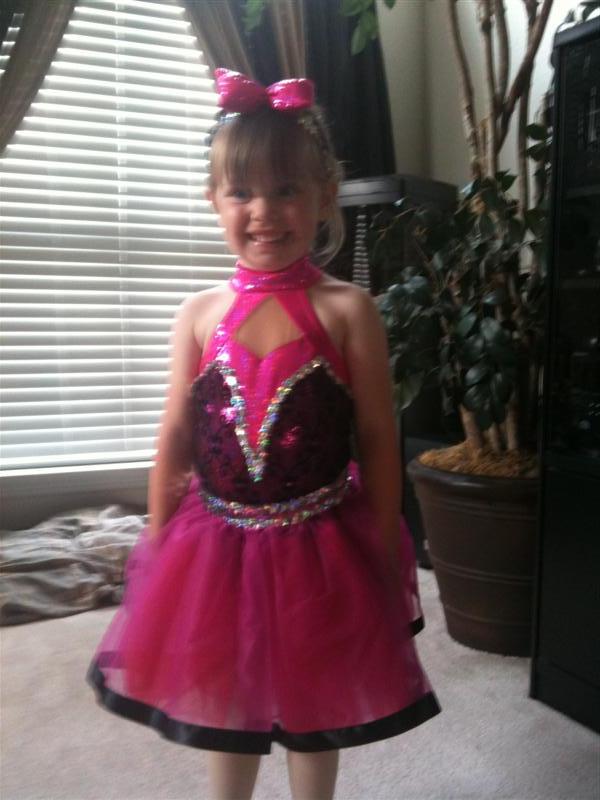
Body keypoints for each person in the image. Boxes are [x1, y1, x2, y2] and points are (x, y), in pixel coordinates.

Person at [87, 69, 441, 800]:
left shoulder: (348, 309)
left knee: (318, 699)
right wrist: (157, 536)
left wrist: (383, 544)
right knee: (226, 693)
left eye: (285, 190)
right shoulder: (197, 313)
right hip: (214, 545)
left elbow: (378, 437)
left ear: (324, 195)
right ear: (213, 200)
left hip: (322, 544)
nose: (264, 212)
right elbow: (176, 431)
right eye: (241, 192)